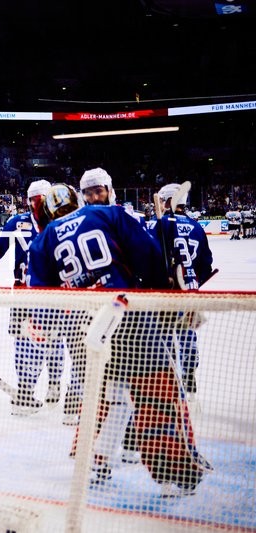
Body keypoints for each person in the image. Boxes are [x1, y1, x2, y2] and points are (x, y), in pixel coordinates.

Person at [30, 184, 207, 495]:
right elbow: (147, 254)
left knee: (108, 400)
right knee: (156, 395)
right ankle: (173, 475)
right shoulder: (108, 213)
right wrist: (164, 293)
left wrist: (43, 324)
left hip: (90, 330)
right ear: (77, 199)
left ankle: (94, 463)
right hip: (129, 318)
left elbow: (43, 301)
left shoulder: (42, 241)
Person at [0, 180, 66, 415]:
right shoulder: (18, 222)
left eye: (43, 198)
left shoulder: (61, 222)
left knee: (55, 339)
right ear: (28, 200)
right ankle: (25, 392)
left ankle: (54, 384)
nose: (39, 203)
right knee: (23, 342)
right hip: (23, 291)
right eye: (35, 198)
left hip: (55, 292)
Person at [152, 182, 214, 398]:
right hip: (189, 291)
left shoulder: (158, 224)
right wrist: (195, 281)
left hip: (166, 293)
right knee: (187, 335)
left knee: (165, 337)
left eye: (162, 201)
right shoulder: (196, 227)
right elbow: (206, 263)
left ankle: (170, 382)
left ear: (169, 201)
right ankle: (189, 375)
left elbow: (148, 255)